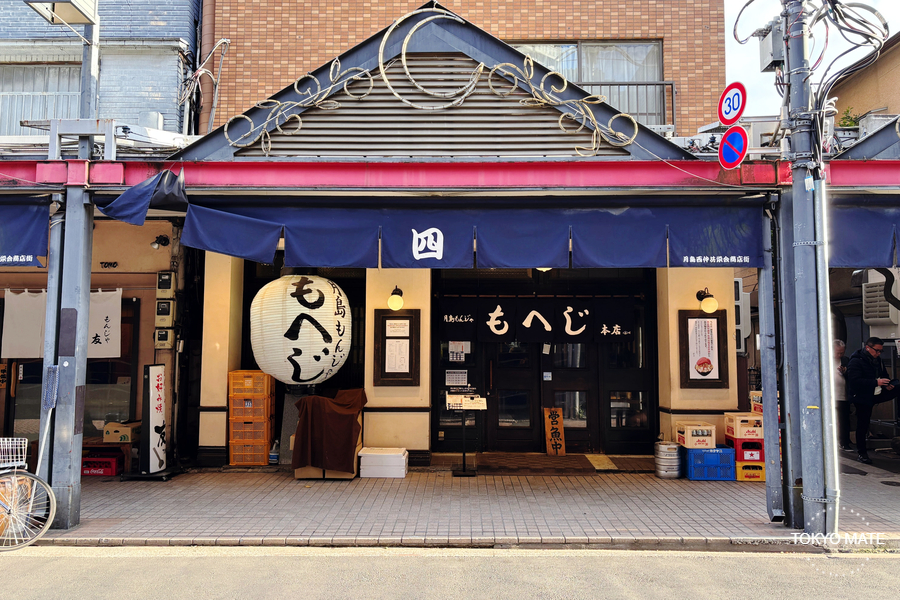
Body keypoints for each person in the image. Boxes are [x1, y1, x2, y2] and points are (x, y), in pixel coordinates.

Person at [846, 337, 900, 463]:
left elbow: (884, 375)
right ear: (868, 348)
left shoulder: (878, 360)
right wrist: (876, 382)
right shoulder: (856, 361)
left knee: (897, 388)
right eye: (876, 351)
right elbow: (854, 382)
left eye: (880, 351)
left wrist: (887, 383)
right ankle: (862, 452)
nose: (878, 353)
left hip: (876, 391)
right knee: (863, 423)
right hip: (862, 395)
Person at [833, 340, 853, 450]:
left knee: (844, 420)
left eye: (842, 352)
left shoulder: (845, 360)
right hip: (829, 395)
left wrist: (845, 371)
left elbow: (851, 374)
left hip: (842, 394)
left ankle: (844, 442)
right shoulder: (824, 359)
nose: (840, 355)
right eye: (837, 352)